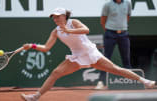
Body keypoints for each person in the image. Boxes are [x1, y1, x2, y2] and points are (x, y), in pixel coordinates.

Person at [21, 7, 156, 101]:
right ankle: (35, 97)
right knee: (56, 73)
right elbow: (46, 47)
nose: (55, 19)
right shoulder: (55, 32)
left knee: (116, 69)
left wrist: (69, 30)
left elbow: (86, 29)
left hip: (91, 53)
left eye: (57, 16)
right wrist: (32, 46)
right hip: (77, 57)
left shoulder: (73, 22)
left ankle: (146, 82)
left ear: (64, 16)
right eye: (54, 17)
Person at [101, 0, 132, 68]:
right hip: (110, 33)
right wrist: (109, 29)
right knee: (106, 58)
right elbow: (103, 19)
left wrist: (122, 26)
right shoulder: (107, 5)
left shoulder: (128, 4)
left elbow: (128, 16)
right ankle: (102, 78)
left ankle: (129, 78)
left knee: (126, 58)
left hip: (124, 34)